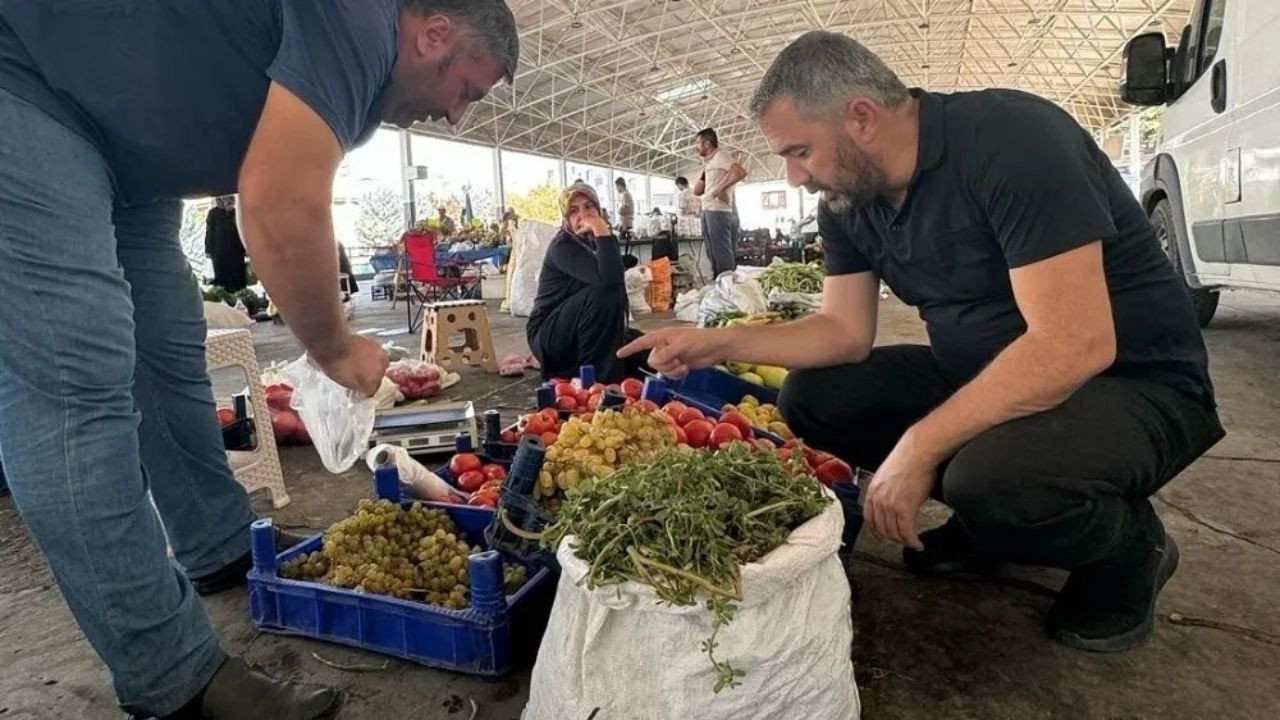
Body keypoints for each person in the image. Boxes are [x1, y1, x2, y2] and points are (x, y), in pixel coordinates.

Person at [621, 31, 1224, 653]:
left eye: (800, 151)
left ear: (861, 117)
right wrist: (717, 343)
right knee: (814, 399)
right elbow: (843, 332)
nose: (794, 176)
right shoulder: (848, 200)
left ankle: (1130, 552)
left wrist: (920, 445)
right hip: (988, 374)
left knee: (996, 482)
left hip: (1132, 383)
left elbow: (1072, 345)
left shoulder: (1011, 141)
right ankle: (995, 528)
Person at [0, 1, 518, 718]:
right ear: (433, 34)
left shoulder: (362, 67)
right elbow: (276, 202)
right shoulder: (362, 21)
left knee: (168, 351)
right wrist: (336, 348)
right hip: (24, 83)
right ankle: (173, 678)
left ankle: (218, 546)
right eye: (468, 91)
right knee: (76, 377)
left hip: (123, 157)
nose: (458, 118)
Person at [527, 183, 648, 384]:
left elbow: (616, 282)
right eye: (574, 211)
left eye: (589, 207)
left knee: (646, 351)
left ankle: (593, 372)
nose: (583, 215)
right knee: (604, 294)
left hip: (582, 329)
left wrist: (603, 234)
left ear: (598, 210)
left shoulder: (600, 242)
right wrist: (601, 230)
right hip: (552, 337)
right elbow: (610, 283)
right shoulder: (563, 246)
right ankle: (599, 387)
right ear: (566, 219)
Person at [692, 128, 747, 277]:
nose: (695, 147)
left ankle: (727, 286)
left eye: (698, 143)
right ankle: (719, 284)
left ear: (707, 144)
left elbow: (739, 172)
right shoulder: (709, 163)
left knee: (721, 253)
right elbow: (697, 191)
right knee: (713, 253)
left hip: (718, 211)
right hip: (708, 209)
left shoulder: (721, 156)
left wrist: (719, 188)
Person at [204, 196, 248, 291]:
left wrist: (246, 248)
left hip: (236, 252)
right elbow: (209, 233)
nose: (230, 202)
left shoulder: (236, 213)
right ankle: (224, 299)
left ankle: (240, 298)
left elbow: (243, 230)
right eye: (227, 200)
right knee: (222, 280)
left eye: (231, 200)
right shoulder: (214, 213)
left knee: (238, 279)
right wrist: (208, 251)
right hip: (219, 253)